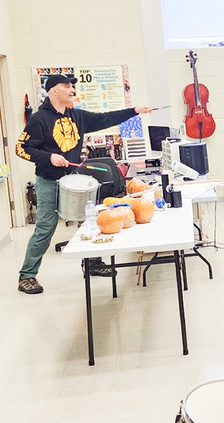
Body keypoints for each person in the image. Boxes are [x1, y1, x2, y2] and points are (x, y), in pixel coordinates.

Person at [15, 75, 153, 294]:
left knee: (89, 220)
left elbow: (105, 118)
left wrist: (134, 110)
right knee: (45, 227)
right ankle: (27, 275)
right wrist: (48, 157)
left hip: (74, 178)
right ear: (53, 91)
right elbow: (22, 148)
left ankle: (92, 263)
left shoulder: (77, 116)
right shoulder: (38, 119)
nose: (72, 90)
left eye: (73, 86)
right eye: (67, 86)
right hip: (48, 180)